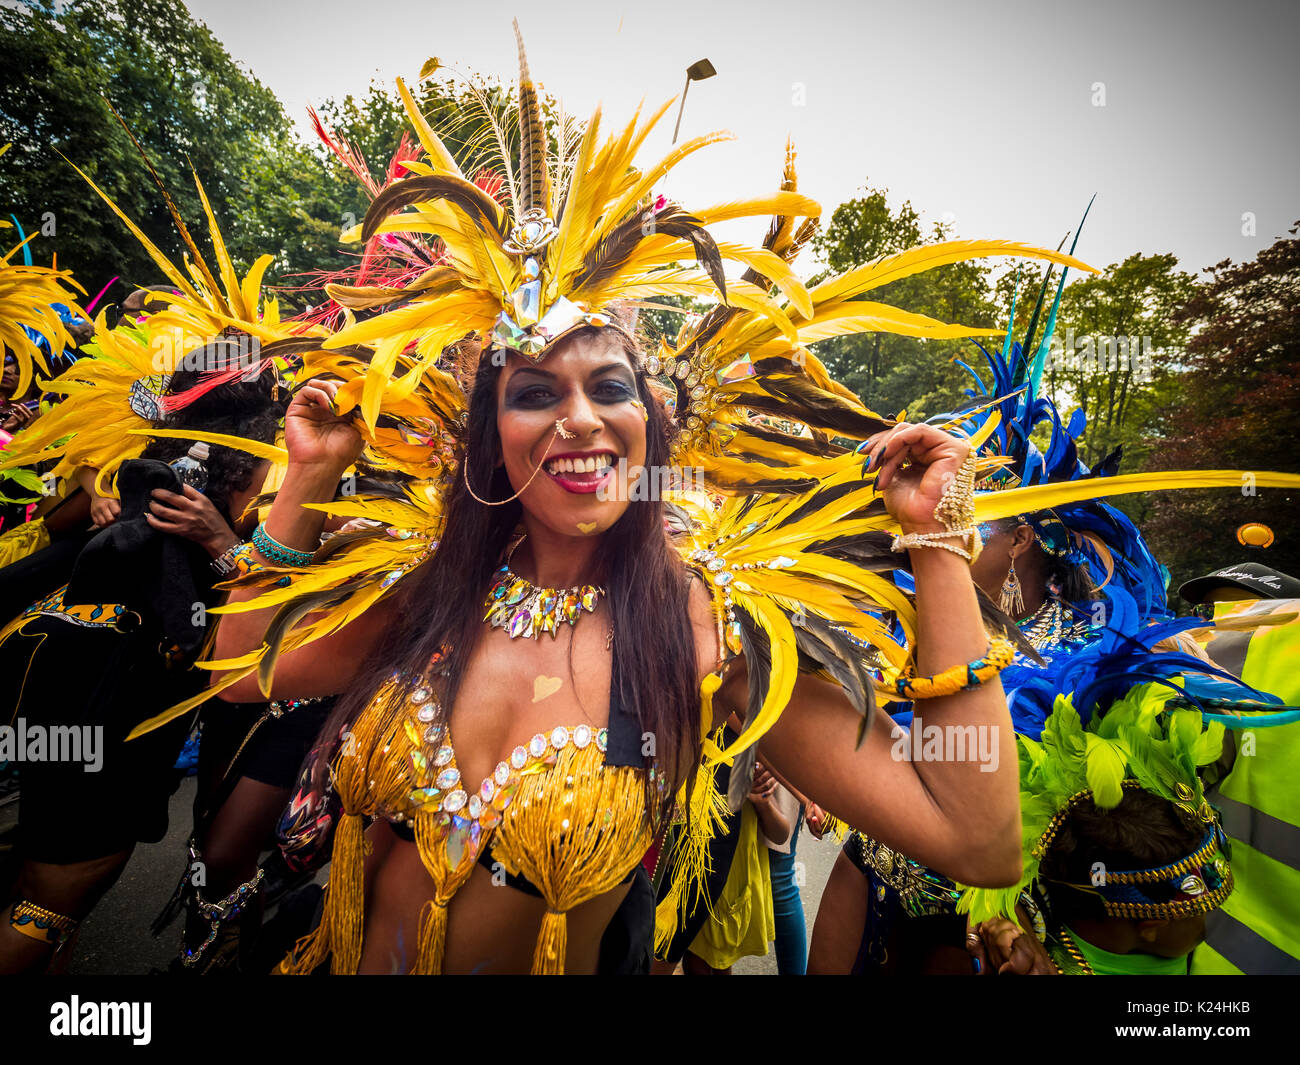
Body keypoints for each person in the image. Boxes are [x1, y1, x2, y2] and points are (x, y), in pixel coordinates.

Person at [0, 364, 282, 974]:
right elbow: (267, 617)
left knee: (46, 907)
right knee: (45, 909)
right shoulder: (177, 540)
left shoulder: (141, 508)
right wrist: (222, 545)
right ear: (241, 466)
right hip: (101, 758)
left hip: (62, 739)